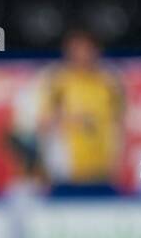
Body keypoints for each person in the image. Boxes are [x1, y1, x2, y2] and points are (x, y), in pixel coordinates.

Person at [36, 27, 124, 196]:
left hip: (101, 171)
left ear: (96, 51)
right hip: (67, 173)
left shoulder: (110, 83)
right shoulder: (58, 82)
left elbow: (119, 124)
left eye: (86, 49)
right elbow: (43, 123)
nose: (82, 54)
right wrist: (70, 120)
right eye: (77, 49)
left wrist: (115, 163)